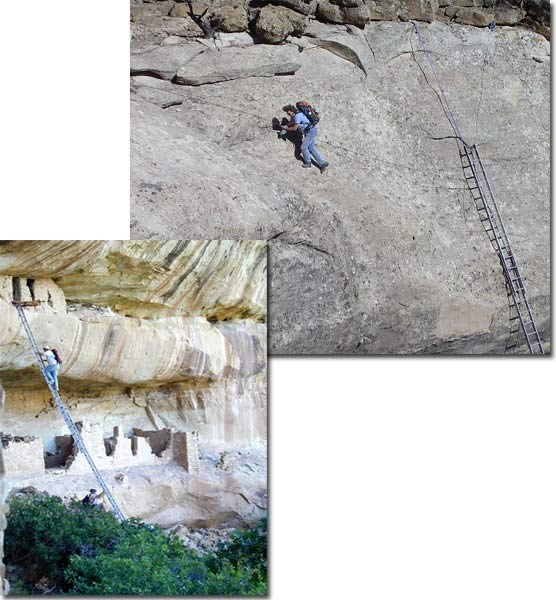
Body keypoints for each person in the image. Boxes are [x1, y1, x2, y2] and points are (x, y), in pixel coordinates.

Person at [280, 104, 329, 173]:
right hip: (310, 130)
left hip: (310, 132)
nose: (288, 114)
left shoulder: (297, 116)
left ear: (291, 111)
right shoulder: (296, 115)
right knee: (311, 148)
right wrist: (284, 127)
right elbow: (291, 123)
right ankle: (323, 163)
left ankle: (308, 163)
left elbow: (294, 128)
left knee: (303, 147)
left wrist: (285, 129)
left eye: (288, 112)